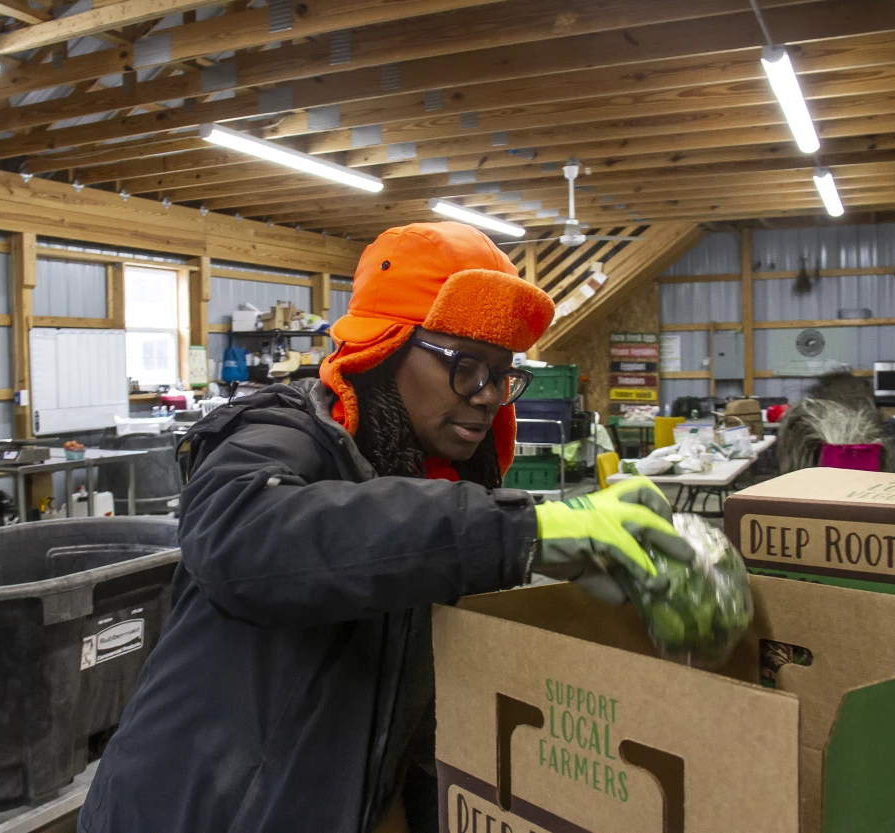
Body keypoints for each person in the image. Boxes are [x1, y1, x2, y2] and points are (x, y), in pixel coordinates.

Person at [78, 221, 692, 833]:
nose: (487, 396)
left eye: (502, 375)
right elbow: (239, 534)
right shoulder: (285, 435)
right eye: (467, 366)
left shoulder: (437, 479)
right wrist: (519, 533)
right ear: (387, 349)